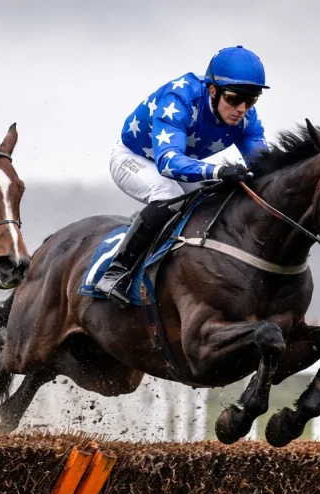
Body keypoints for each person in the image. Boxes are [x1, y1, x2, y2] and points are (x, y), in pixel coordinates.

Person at [96, 45, 269, 304]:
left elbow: (264, 168)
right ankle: (116, 272)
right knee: (168, 195)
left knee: (216, 201)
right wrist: (219, 171)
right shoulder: (179, 99)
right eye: (233, 98)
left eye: (251, 100)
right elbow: (168, 162)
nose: (242, 109)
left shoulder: (247, 119)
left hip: (180, 165)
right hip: (134, 158)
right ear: (213, 90)